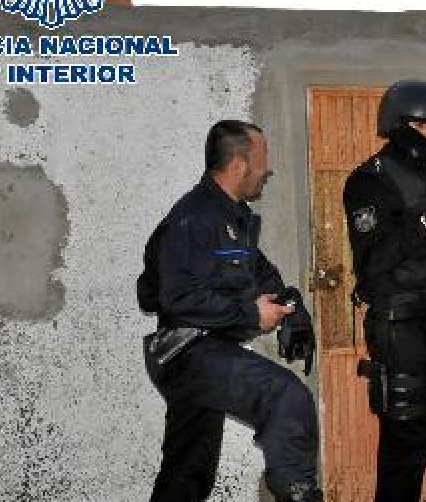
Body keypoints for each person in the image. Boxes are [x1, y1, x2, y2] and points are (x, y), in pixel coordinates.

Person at [137, 120, 320, 502]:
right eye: (262, 159)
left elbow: (261, 274)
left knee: (188, 472)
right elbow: (177, 297)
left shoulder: (232, 219)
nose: (267, 169)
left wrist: (292, 308)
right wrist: (250, 316)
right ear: (239, 164)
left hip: (206, 352)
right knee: (286, 398)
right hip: (185, 350)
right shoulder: (194, 218)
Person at [343, 80, 426, 502]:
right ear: (399, 125)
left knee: (422, 432)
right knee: (403, 436)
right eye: (425, 127)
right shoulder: (367, 181)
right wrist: (422, 223)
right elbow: (373, 264)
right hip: (396, 324)